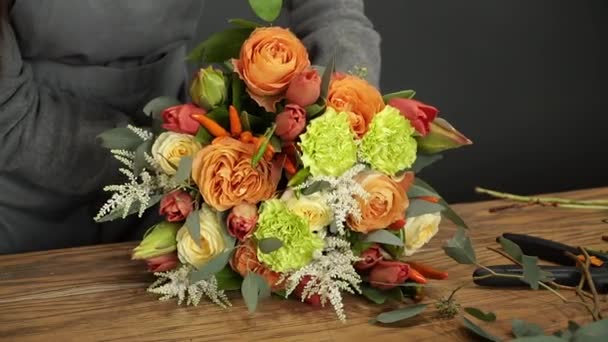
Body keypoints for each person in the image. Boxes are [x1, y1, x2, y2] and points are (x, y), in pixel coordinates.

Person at [0, 0, 381, 254]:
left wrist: (338, 121)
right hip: (22, 185)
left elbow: (332, 14)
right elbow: (9, 113)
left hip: (174, 177)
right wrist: (190, 163)